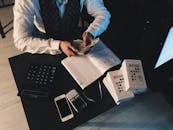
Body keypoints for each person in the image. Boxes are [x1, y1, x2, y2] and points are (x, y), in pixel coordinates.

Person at [13, 0, 111, 57]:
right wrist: (57, 45)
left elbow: (103, 14)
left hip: (74, 34)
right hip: (44, 40)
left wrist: (92, 31)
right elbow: (20, 40)